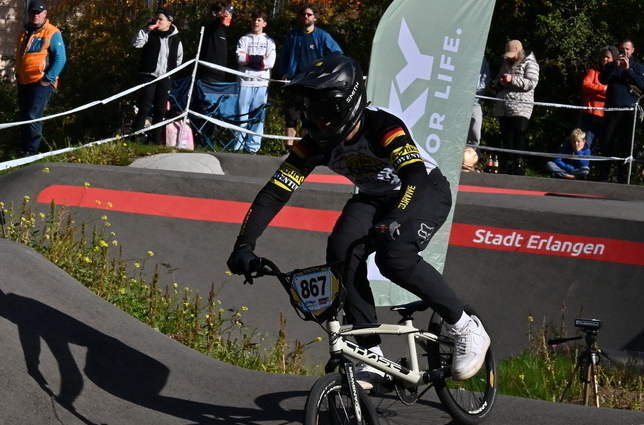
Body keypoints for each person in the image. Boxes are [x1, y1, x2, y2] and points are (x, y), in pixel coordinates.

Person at [227, 53, 490, 389]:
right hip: (374, 196)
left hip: (423, 188)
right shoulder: (314, 145)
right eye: (311, 113)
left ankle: (465, 325)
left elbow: (413, 175)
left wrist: (395, 217)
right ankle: (372, 356)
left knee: (394, 257)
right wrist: (244, 245)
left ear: (346, 104)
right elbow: (274, 194)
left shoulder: (383, 126)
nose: (316, 123)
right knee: (340, 251)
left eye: (324, 113)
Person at [280, 4, 342, 146]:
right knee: (291, 117)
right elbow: (284, 56)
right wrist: (284, 72)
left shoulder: (322, 36)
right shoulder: (293, 36)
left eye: (309, 14)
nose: (306, 17)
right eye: (303, 14)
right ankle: (288, 149)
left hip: (314, 84)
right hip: (294, 82)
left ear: (315, 17)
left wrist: (328, 72)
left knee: (309, 118)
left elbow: (337, 54)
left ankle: (305, 147)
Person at [15, 0, 66, 157]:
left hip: (41, 82)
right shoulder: (24, 33)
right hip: (24, 81)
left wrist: (47, 79)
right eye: (32, 13)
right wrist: (17, 73)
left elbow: (60, 58)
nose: (35, 16)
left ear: (45, 14)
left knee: (33, 115)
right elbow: (20, 56)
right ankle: (24, 149)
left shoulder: (52, 32)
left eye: (38, 13)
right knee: (24, 116)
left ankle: (31, 151)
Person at [131, 8, 183, 144]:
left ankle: (156, 139)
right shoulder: (150, 34)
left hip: (165, 77)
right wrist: (146, 30)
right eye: (156, 19)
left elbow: (179, 58)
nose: (157, 22)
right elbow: (136, 43)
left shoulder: (175, 39)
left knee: (160, 109)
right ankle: (135, 135)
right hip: (148, 75)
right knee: (144, 107)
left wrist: (171, 73)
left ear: (169, 22)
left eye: (161, 19)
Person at [192, 1, 238, 143]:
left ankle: (212, 138)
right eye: (222, 12)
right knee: (205, 107)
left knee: (218, 108)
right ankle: (199, 137)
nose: (226, 15)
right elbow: (208, 26)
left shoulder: (224, 32)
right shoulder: (208, 27)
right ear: (214, 13)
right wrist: (219, 19)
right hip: (207, 76)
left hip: (220, 76)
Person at [600, 38, 644, 183]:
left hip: (629, 111)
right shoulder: (612, 66)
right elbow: (603, 80)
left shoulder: (638, 68)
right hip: (612, 109)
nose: (624, 51)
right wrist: (614, 67)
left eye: (627, 49)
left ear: (632, 50)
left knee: (626, 146)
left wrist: (628, 70)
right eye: (622, 49)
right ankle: (603, 176)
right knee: (607, 143)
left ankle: (623, 178)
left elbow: (642, 85)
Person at [493, 39, 539, 175]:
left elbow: (531, 83)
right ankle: (507, 162)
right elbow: (497, 80)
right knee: (506, 134)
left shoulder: (531, 63)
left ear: (519, 52)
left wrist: (512, 79)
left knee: (519, 132)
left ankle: (518, 163)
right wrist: (499, 83)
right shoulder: (505, 63)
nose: (510, 57)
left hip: (521, 105)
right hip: (504, 105)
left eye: (512, 54)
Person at [234, 10, 277, 153]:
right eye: (254, 19)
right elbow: (240, 58)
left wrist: (250, 59)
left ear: (264, 23)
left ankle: (252, 147)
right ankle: (238, 145)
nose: (256, 22)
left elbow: (270, 62)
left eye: (259, 20)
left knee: (258, 116)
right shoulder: (244, 39)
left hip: (261, 83)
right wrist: (259, 59)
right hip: (244, 81)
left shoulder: (269, 42)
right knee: (241, 114)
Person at [580, 46, 616, 153]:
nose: (605, 59)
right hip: (590, 116)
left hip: (607, 117)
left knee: (605, 148)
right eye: (604, 57)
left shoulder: (617, 74)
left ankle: (603, 170)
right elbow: (585, 84)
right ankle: (582, 168)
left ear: (614, 59)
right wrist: (603, 89)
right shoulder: (593, 71)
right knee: (585, 146)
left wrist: (595, 89)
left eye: (608, 57)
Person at [467, 56, 491, 148]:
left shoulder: (482, 57)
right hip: (458, 102)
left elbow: (485, 78)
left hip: (475, 102)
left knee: (475, 135)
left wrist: (476, 94)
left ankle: (471, 158)